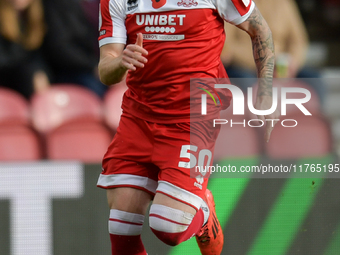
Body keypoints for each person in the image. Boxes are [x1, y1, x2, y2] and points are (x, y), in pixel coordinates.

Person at [96, 0, 279, 254]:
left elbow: (260, 30)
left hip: (194, 114)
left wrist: (266, 92)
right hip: (139, 116)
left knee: (168, 226)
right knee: (121, 226)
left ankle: (203, 210)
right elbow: (106, 70)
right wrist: (119, 63)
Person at [221, 0, 326, 106]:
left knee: (315, 79)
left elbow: (298, 40)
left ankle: (315, 120)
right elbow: (226, 46)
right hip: (245, 66)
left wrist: (291, 63)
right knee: (247, 84)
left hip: (280, 65)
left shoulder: (284, 3)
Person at [42, 0, 108, 98]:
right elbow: (60, 48)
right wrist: (94, 66)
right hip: (72, 71)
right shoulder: (55, 4)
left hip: (97, 64)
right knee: (97, 90)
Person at [0, 0, 50, 99]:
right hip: (7, 80)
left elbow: (36, 54)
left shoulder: (34, 18)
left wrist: (39, 72)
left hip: (24, 80)